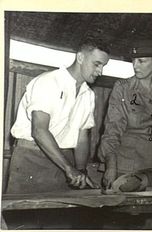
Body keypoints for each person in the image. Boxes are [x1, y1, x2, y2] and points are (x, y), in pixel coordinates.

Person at [6, 38, 110, 194]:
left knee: (58, 216)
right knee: (24, 216)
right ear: (80, 57)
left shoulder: (88, 95)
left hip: (64, 162)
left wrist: (81, 170)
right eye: (96, 64)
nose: (100, 71)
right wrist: (69, 167)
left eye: (103, 66)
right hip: (31, 159)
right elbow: (39, 130)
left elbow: (82, 137)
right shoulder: (48, 82)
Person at [98, 40, 152, 190]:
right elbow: (112, 130)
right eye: (133, 60)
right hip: (125, 164)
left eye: (141, 61)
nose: (135, 66)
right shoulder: (122, 88)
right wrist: (111, 167)